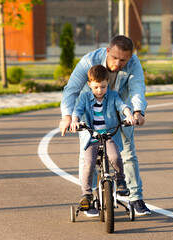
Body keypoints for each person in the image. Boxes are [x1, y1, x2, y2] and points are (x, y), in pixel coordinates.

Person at [59, 35, 150, 216]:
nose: (118, 63)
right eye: (115, 57)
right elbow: (72, 89)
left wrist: (138, 112)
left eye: (123, 60)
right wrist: (67, 117)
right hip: (91, 111)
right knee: (88, 157)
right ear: (108, 51)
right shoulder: (89, 61)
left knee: (127, 153)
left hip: (120, 110)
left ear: (130, 57)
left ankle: (135, 197)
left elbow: (137, 88)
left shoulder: (133, 63)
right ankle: (89, 197)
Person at [69, 64, 136, 208]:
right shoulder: (86, 97)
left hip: (108, 136)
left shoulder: (112, 96)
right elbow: (78, 110)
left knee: (116, 157)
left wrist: (129, 115)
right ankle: (86, 194)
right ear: (89, 85)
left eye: (103, 87)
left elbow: (121, 106)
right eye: (96, 87)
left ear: (107, 83)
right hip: (92, 138)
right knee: (88, 164)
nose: (100, 91)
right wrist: (75, 121)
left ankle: (121, 181)